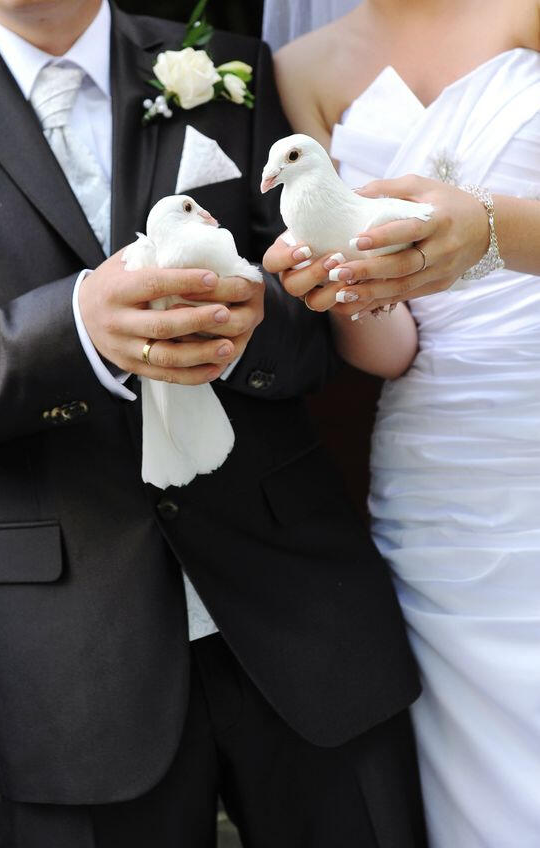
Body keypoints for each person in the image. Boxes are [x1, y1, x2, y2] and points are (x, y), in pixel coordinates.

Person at [0, 1, 428, 846]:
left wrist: (258, 321)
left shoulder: (230, 66)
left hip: (301, 610)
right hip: (73, 654)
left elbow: (318, 321)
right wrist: (73, 333)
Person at [262, 0, 540, 845]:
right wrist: (336, 287)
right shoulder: (300, 66)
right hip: (438, 464)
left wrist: (488, 230)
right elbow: (386, 351)